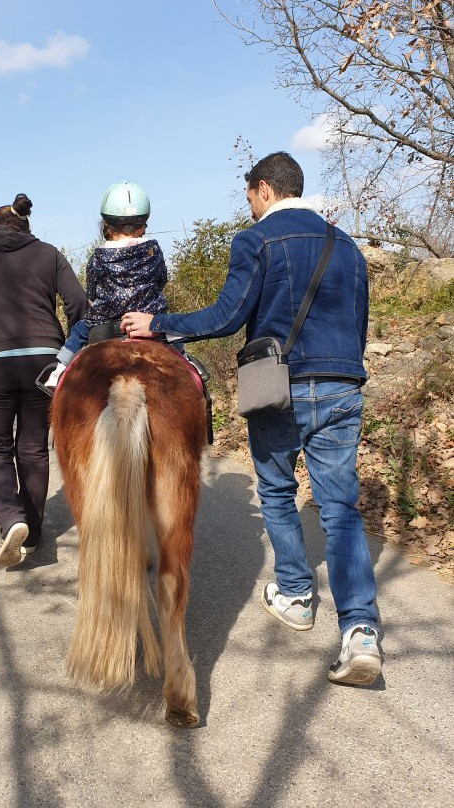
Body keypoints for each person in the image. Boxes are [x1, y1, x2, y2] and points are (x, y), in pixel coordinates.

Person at [121, 152, 382, 686]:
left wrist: (158, 323)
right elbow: (358, 322)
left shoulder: (257, 240)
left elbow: (227, 316)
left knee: (279, 491)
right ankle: (361, 633)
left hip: (276, 384)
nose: (250, 207)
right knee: (341, 509)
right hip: (341, 384)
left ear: (264, 189)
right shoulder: (348, 246)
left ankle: (295, 595)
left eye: (249, 197)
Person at [0, 193, 87, 568]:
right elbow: (78, 303)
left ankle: (12, 519)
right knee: (33, 448)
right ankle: (35, 533)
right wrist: (71, 346)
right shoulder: (48, 253)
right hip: (43, 361)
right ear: (26, 225)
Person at [43, 181, 181, 390]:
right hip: (147, 320)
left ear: (107, 224)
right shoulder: (154, 250)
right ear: (143, 224)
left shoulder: (99, 256)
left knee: (80, 330)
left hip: (104, 322)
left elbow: (92, 292)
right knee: (174, 336)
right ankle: (189, 363)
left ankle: (59, 369)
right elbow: (161, 280)